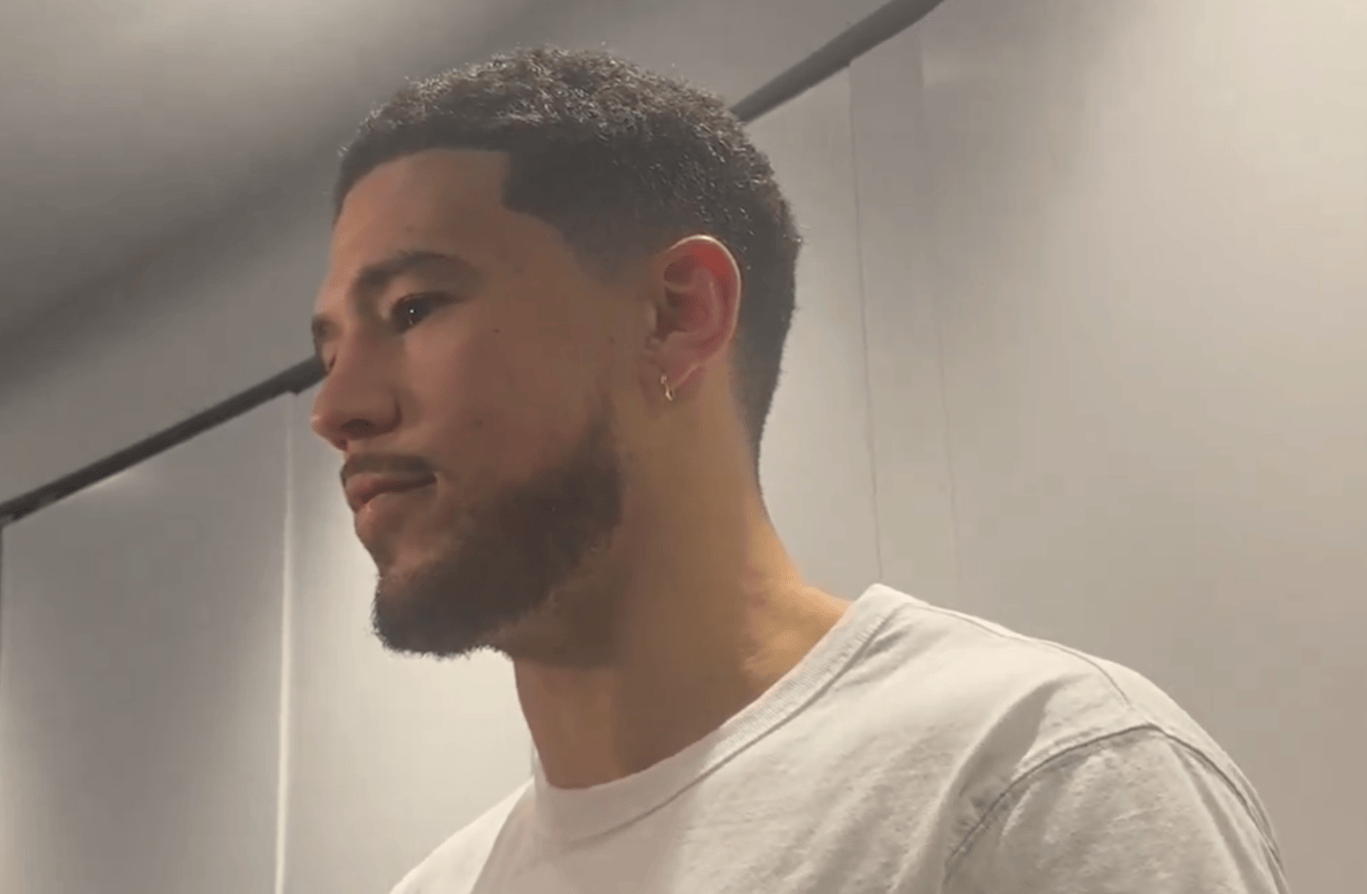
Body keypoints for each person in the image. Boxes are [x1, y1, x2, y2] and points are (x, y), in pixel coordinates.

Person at [308, 45, 1290, 893]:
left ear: (677, 315)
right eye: (329, 352)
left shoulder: (1031, 781)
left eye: (412, 309)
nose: (336, 410)